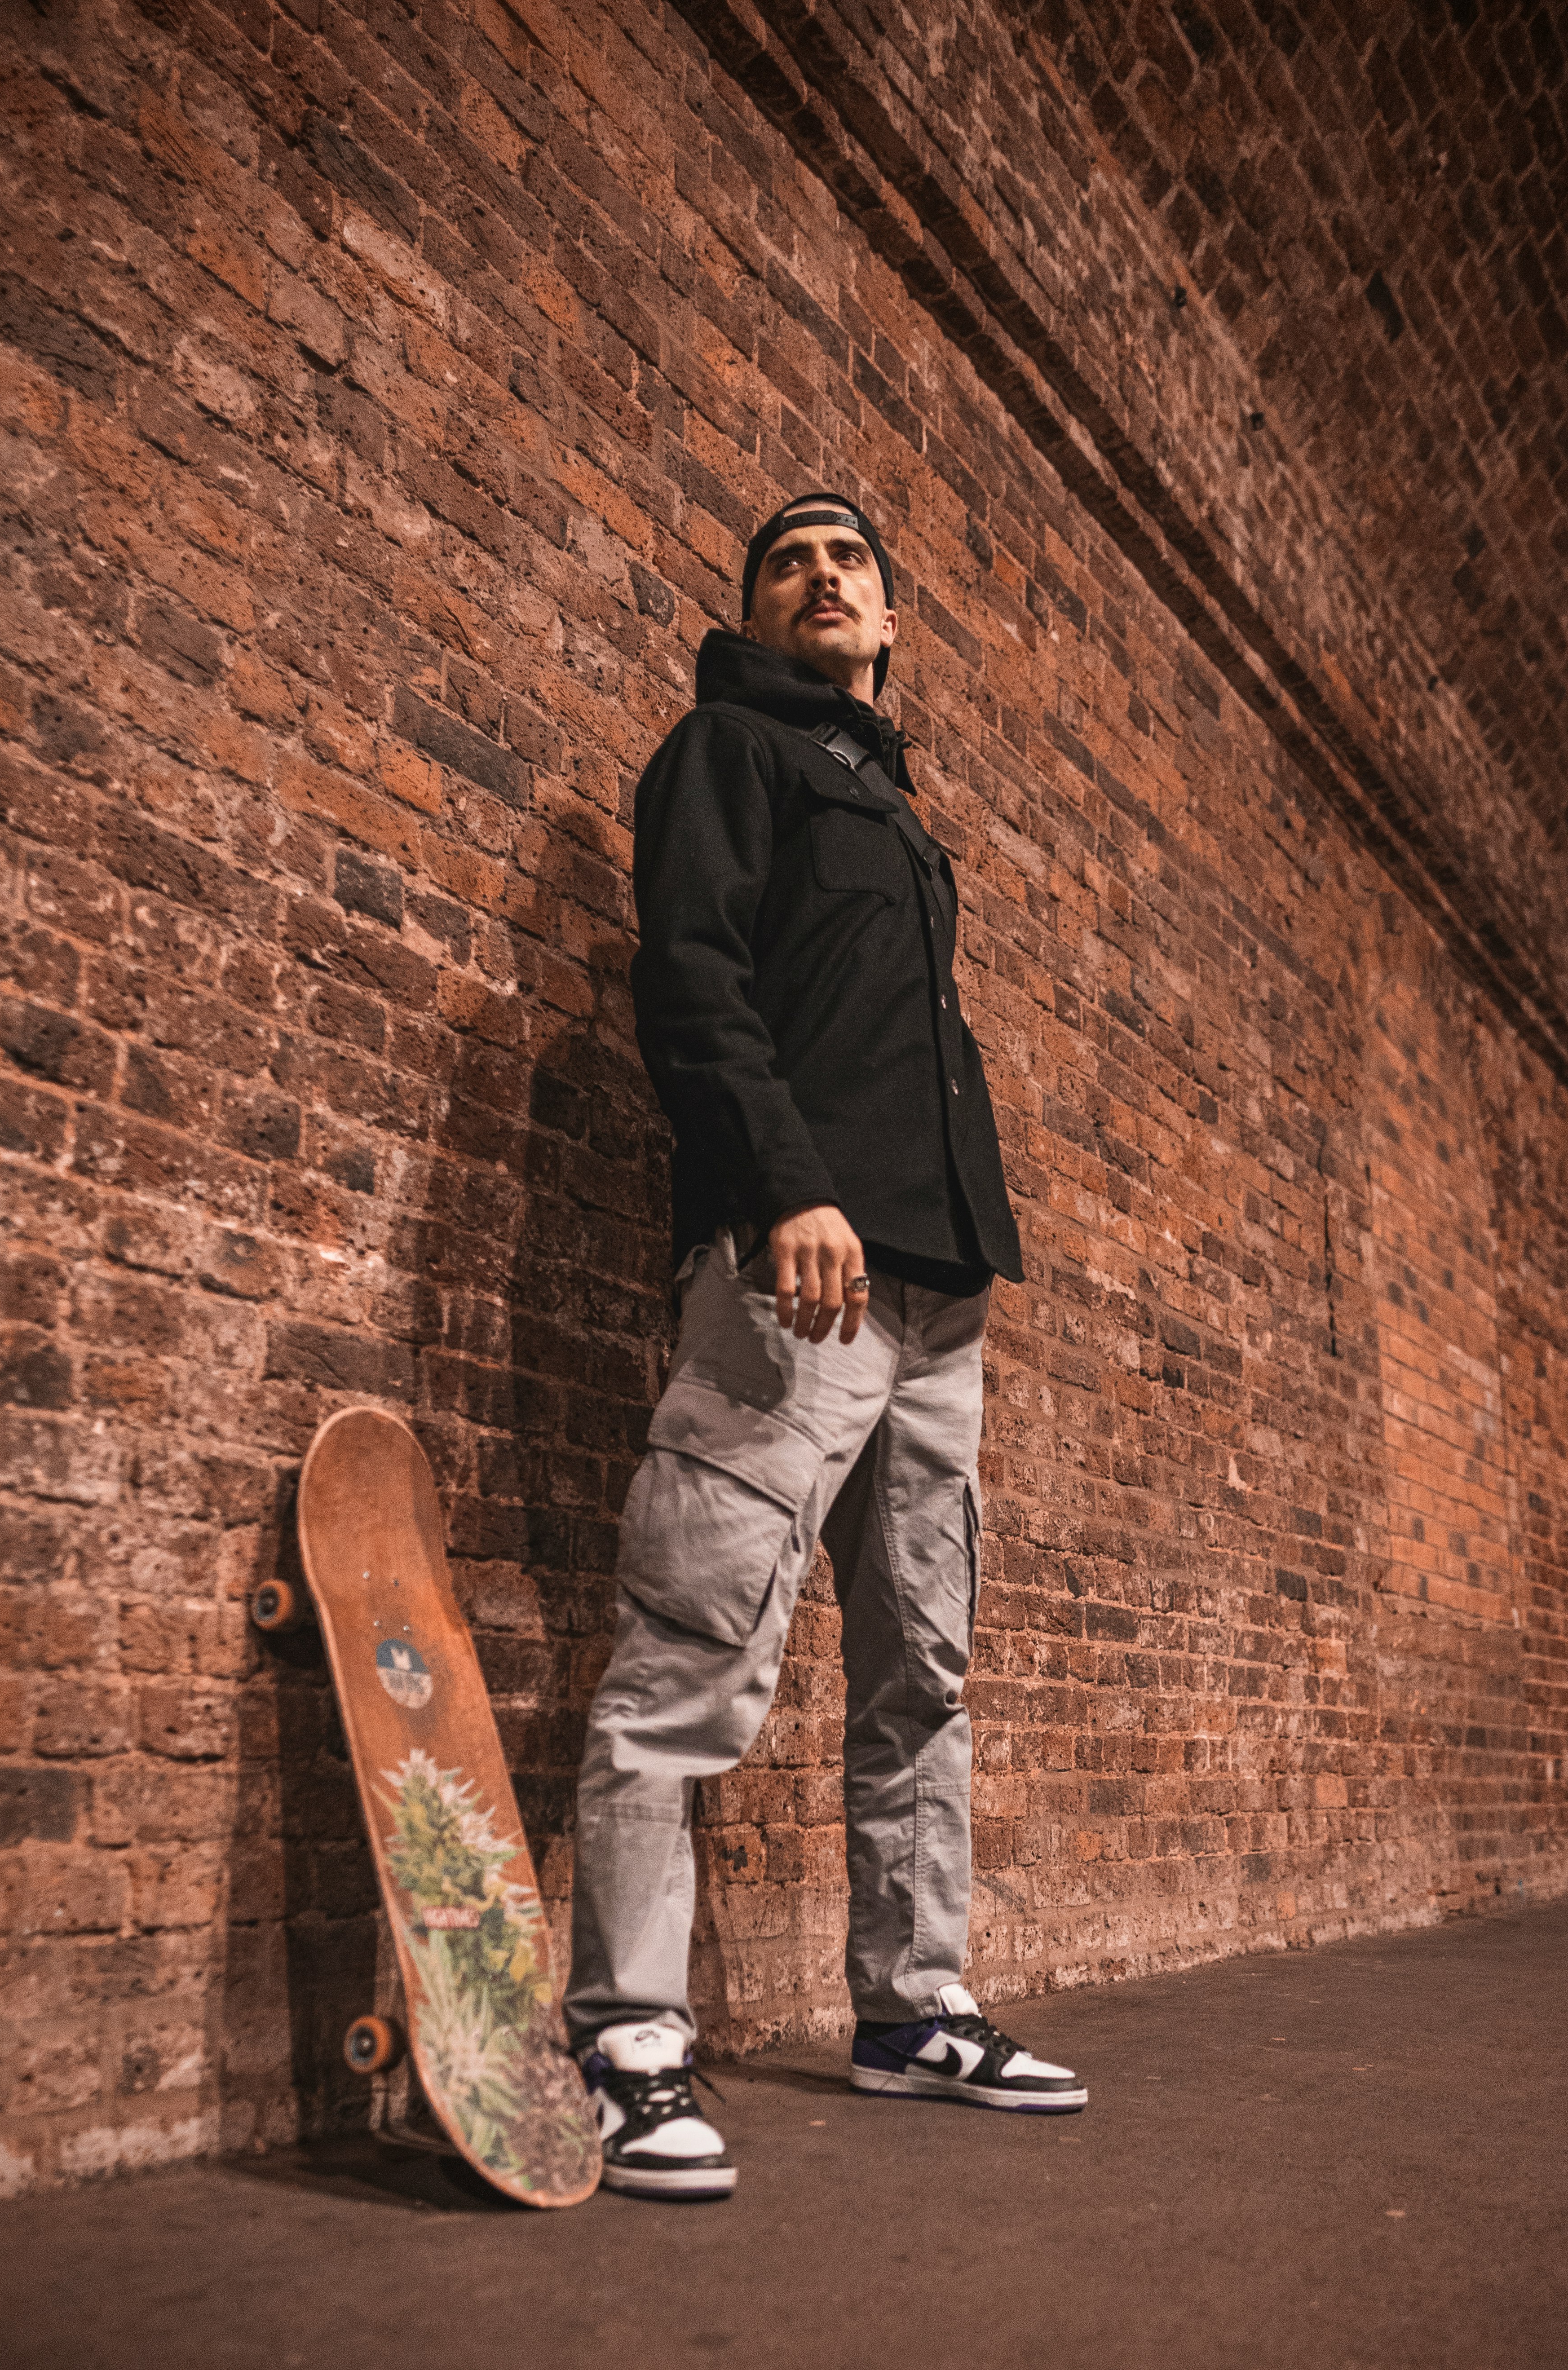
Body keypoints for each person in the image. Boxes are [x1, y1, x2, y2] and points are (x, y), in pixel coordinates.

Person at [567, 495, 1089, 2199]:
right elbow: (694, 981)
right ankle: (625, 2030)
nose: (823, 573)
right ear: (757, 610)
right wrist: (789, 1187)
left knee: (920, 1666)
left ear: (889, 621)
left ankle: (911, 2005)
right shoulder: (729, 750)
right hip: (804, 1271)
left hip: (940, 1296)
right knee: (701, 1635)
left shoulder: (896, 813)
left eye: (850, 557)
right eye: (788, 557)